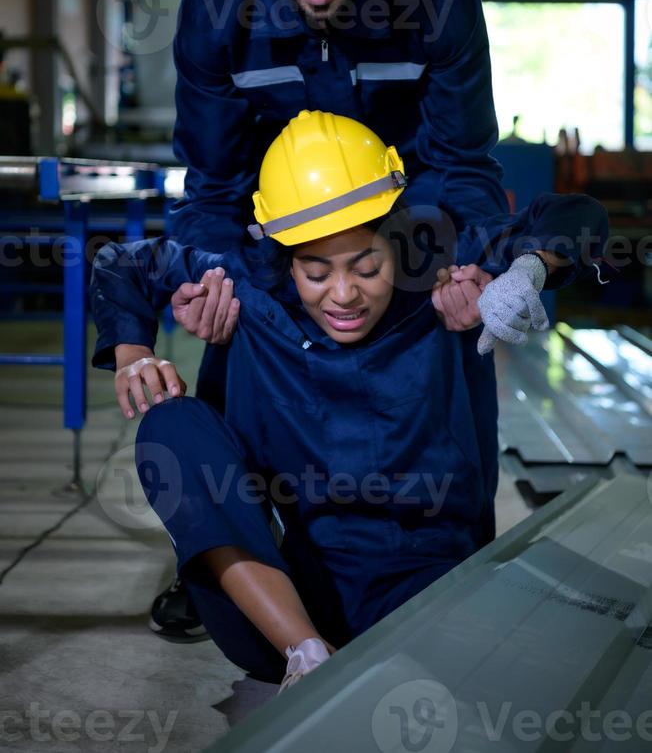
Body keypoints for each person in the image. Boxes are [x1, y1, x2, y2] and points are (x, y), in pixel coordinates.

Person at [158, 0, 511, 638]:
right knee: (235, 349)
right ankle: (233, 565)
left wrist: (466, 267)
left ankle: (459, 551)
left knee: (451, 374)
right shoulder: (214, 10)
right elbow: (210, 191)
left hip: (410, 237)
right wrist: (213, 273)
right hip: (276, 240)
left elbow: (464, 163)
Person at [90, 111, 608, 691]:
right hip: (283, 615)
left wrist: (527, 268)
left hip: (427, 594)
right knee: (171, 426)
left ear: (398, 236)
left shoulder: (445, 270)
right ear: (283, 255)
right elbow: (122, 262)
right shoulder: (249, 285)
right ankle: (309, 658)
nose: (343, 295)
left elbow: (577, 216)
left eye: (367, 267)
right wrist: (135, 353)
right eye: (316, 273)